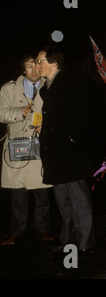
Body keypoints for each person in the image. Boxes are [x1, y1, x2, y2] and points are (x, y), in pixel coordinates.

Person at [36, 46, 97, 257]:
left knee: (78, 198)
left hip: (70, 153)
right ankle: (67, 240)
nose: (37, 65)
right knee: (63, 200)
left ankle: (85, 243)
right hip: (55, 152)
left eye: (41, 61)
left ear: (54, 62)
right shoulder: (47, 87)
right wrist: (46, 126)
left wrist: (70, 139)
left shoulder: (72, 82)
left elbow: (83, 116)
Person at [0, 54, 54, 246]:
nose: (34, 70)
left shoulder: (49, 86)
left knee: (41, 191)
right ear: (23, 69)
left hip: (40, 144)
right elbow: (1, 112)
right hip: (17, 146)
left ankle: (44, 230)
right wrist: (18, 113)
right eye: (29, 66)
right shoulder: (8, 89)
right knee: (18, 192)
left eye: (36, 65)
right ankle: (16, 232)